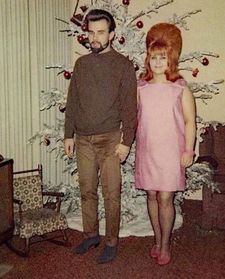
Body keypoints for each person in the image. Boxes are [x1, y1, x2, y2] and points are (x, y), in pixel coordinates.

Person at [64, 9, 137, 264]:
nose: (94, 38)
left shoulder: (123, 65)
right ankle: (91, 235)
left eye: (101, 32)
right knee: (86, 191)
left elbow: (130, 108)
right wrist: (68, 134)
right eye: (91, 32)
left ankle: (112, 241)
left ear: (111, 34)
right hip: (82, 139)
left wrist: (126, 142)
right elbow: (72, 100)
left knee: (111, 194)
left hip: (110, 139)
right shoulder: (81, 64)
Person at [135, 23, 196, 265]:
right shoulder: (141, 88)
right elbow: (133, 119)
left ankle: (166, 244)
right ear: (148, 60)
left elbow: (190, 122)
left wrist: (188, 150)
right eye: (153, 57)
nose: (158, 62)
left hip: (171, 153)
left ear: (170, 59)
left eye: (163, 57)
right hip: (147, 152)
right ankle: (158, 240)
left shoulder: (180, 88)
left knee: (165, 199)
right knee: (151, 196)